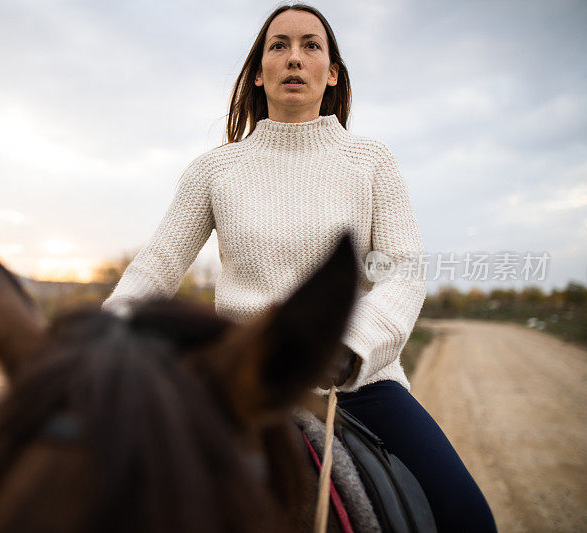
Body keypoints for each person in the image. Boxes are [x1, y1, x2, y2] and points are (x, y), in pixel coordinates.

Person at [102, 3, 496, 531]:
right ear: (259, 73)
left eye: (311, 46)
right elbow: (157, 266)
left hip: (358, 382)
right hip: (241, 383)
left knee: (468, 517)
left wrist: (347, 346)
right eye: (279, 46)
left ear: (331, 73)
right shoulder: (214, 170)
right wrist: (105, 336)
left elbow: (402, 269)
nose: (294, 58)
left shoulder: (372, 161)